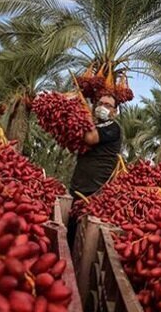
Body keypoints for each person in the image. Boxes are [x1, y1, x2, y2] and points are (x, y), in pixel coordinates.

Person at [67, 94, 122, 247]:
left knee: (81, 230)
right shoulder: (95, 125)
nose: (103, 107)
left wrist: (83, 113)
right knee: (71, 228)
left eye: (108, 105)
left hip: (95, 189)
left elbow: (90, 138)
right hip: (79, 185)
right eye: (100, 103)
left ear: (114, 111)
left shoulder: (113, 127)